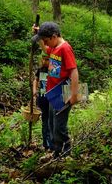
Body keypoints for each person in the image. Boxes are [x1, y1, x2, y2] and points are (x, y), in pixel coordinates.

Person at [32, 22, 79, 158]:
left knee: (59, 126)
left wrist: (74, 95)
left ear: (54, 36)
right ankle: (57, 153)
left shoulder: (65, 48)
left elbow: (74, 71)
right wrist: (38, 33)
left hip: (63, 92)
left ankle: (65, 153)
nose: (45, 43)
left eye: (46, 40)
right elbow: (46, 49)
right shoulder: (54, 47)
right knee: (52, 124)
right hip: (53, 93)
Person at [33, 55, 52, 151]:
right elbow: (35, 80)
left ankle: (52, 143)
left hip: (52, 98)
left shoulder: (54, 70)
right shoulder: (40, 70)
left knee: (51, 120)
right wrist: (34, 90)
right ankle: (46, 144)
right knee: (45, 120)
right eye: (44, 59)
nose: (45, 61)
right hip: (43, 97)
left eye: (47, 59)